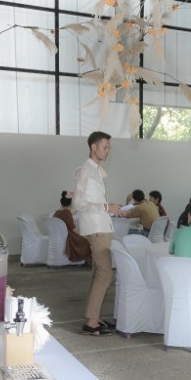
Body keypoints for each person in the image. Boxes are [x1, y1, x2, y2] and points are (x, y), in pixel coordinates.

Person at [72, 131, 123, 337]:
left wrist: (111, 208)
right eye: (105, 147)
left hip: (101, 225)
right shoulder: (85, 170)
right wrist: (106, 207)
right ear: (93, 147)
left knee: (98, 273)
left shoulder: (96, 170)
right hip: (96, 228)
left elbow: (94, 201)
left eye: (109, 148)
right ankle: (91, 321)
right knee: (105, 272)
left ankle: (95, 317)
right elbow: (78, 203)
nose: (107, 151)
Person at [53, 190, 91, 263]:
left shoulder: (57, 212)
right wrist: (85, 236)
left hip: (63, 236)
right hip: (71, 237)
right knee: (89, 240)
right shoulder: (67, 213)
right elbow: (73, 229)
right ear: (72, 203)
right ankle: (90, 261)